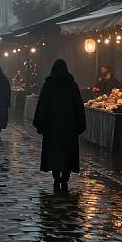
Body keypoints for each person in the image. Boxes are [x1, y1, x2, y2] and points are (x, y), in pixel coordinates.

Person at [33, 59, 86, 193]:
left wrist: (40, 124)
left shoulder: (48, 86)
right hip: (69, 126)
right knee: (68, 153)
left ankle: (56, 177)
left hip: (52, 127)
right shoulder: (72, 86)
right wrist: (80, 124)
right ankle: (65, 178)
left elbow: (42, 106)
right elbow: (78, 107)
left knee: (54, 153)